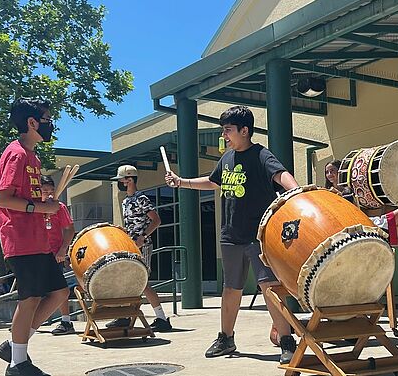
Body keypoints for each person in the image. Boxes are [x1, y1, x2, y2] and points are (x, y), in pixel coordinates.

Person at [165, 105, 299, 364]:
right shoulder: (226, 158)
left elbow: (281, 175)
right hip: (230, 236)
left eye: (227, 130)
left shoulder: (261, 154)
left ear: (244, 130)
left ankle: (286, 341)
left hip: (259, 236)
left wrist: (297, 194)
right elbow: (214, 181)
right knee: (231, 289)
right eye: (224, 130)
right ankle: (226, 338)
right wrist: (182, 182)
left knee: (270, 288)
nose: (224, 135)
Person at [0, 98, 69, 376]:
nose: (50, 124)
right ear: (32, 122)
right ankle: (18, 364)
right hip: (20, 238)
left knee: (60, 292)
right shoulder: (16, 154)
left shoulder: (33, 156)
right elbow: (3, 199)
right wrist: (40, 207)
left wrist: (44, 210)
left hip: (37, 239)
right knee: (30, 298)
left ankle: (15, 347)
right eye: (47, 119)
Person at [105, 165, 172, 332]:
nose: (119, 183)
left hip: (143, 246)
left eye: (121, 180)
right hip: (130, 246)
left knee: (142, 282)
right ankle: (125, 317)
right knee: (128, 281)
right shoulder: (126, 201)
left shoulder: (142, 199)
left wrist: (143, 237)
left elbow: (156, 220)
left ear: (129, 180)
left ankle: (161, 318)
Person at [38, 176, 77, 335]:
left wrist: (63, 250)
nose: (48, 194)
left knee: (59, 288)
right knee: (34, 289)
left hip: (55, 253)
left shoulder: (59, 207)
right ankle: (28, 321)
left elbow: (69, 229)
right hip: (35, 252)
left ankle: (66, 321)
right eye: (44, 191)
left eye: (51, 191)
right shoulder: (33, 206)